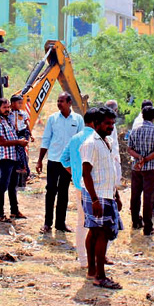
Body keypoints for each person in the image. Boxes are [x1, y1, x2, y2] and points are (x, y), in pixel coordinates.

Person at [80, 107, 124, 289]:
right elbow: (86, 173)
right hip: (96, 195)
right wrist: (95, 200)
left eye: (113, 124)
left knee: (94, 232)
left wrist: (116, 195)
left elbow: (108, 171)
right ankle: (100, 275)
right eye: (107, 123)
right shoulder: (91, 143)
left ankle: (92, 271)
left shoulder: (106, 142)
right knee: (102, 234)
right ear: (96, 123)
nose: (110, 127)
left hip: (106, 194)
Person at [36, 92, 84, 233]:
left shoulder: (78, 119)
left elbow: (81, 141)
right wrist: (39, 161)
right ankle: (47, 223)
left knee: (64, 192)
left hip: (68, 163)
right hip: (54, 160)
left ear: (69, 103)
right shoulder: (52, 119)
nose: (59, 103)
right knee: (50, 191)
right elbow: (46, 140)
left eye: (61, 101)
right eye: (58, 101)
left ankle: (60, 224)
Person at [60, 108, 98, 268]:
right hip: (96, 188)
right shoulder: (96, 138)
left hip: (79, 186)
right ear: (96, 122)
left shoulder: (75, 138)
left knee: (82, 223)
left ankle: (83, 260)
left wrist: (76, 174)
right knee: (97, 225)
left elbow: (63, 159)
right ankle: (94, 259)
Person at [127, 104, 154, 235]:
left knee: (135, 195)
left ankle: (136, 222)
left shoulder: (135, 131)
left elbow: (129, 149)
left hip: (136, 168)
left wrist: (139, 158)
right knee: (149, 197)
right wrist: (147, 159)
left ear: (142, 116)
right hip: (151, 168)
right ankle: (148, 227)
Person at [0, 98, 27, 222]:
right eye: (4, 108)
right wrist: (19, 142)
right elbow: (1, 142)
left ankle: (14, 211)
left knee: (13, 185)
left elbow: (18, 113)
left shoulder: (8, 119)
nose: (7, 110)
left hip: (14, 156)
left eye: (8, 107)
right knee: (3, 186)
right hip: (6, 157)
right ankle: (0, 214)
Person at [9, 94, 32, 178]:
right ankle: (21, 167)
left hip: (23, 132)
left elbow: (26, 123)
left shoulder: (23, 113)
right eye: (19, 103)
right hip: (15, 133)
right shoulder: (9, 113)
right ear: (12, 103)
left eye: (21, 103)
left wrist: (31, 134)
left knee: (20, 148)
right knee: (16, 150)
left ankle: (25, 169)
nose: (20, 105)